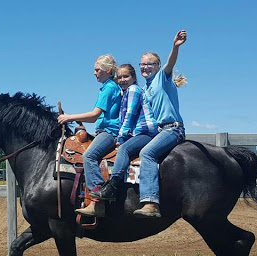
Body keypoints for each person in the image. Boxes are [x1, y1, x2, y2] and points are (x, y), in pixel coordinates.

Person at [57, 54, 121, 217]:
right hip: (105, 130)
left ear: (107, 70)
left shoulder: (109, 88)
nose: (94, 73)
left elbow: (94, 116)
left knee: (89, 156)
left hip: (110, 132)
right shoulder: (110, 87)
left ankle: (97, 198)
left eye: (97, 69)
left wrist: (69, 117)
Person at [133, 30, 188, 218]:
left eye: (150, 64)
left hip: (172, 128)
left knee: (147, 153)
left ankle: (150, 202)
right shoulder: (143, 88)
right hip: (156, 131)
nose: (145, 67)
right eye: (142, 64)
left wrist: (175, 46)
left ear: (157, 66)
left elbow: (170, 63)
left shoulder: (162, 79)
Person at [90, 64, 158, 203]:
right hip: (138, 132)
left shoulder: (133, 90)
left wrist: (121, 137)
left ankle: (112, 185)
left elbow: (130, 115)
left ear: (133, 77)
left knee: (123, 149)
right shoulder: (126, 92)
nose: (122, 80)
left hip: (145, 130)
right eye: (119, 77)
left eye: (126, 76)